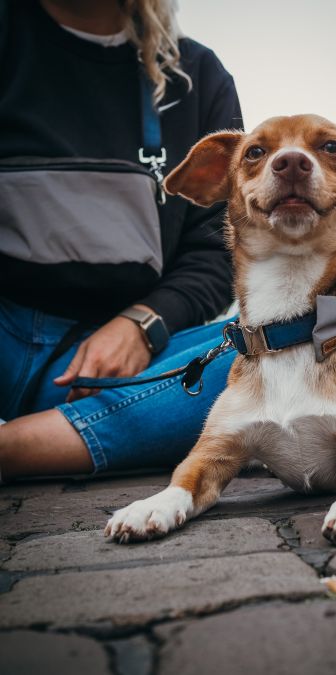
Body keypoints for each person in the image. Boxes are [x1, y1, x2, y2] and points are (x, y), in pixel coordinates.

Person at [0, 0, 242, 481]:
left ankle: (15, 448)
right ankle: (77, 439)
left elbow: (217, 250)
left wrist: (143, 323)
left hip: (106, 366)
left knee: (279, 347)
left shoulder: (196, 76)